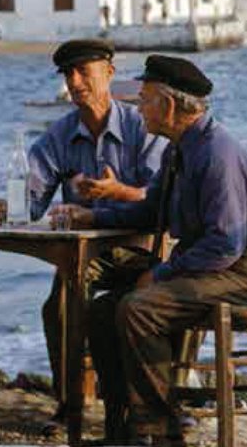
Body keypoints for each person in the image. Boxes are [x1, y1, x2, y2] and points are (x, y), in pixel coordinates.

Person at [47, 55, 247, 447]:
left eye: (145, 99)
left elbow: (225, 243)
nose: (139, 108)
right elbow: (152, 210)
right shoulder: (180, 150)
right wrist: (92, 216)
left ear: (169, 106)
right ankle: (122, 429)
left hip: (243, 274)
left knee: (140, 308)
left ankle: (159, 430)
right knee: (103, 310)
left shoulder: (216, 153)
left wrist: (162, 273)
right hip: (211, 267)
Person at [16, 38, 165, 403]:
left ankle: (140, 400)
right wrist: (13, 206)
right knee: (60, 305)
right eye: (68, 74)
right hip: (85, 257)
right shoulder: (59, 135)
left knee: (85, 297)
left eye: (84, 72)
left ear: (110, 73)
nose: (75, 81)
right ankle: (71, 405)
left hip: (144, 251)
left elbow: (162, 199)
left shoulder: (141, 128)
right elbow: (30, 202)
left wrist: (117, 192)